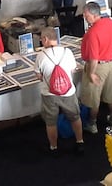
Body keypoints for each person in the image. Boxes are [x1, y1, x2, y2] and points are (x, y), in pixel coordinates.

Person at [34, 27, 85, 155]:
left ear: (45, 39)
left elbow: (39, 76)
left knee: (51, 122)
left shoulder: (41, 56)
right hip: (68, 92)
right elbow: (73, 69)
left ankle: (54, 147)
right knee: (75, 117)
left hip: (49, 94)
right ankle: (80, 141)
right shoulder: (67, 52)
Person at [79, 2, 112, 136]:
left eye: (86, 14)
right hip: (111, 64)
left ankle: (92, 124)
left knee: (93, 98)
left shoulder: (92, 33)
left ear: (93, 14)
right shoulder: (110, 23)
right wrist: (110, 56)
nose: (84, 16)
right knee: (111, 95)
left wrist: (91, 73)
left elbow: (94, 58)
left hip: (98, 68)